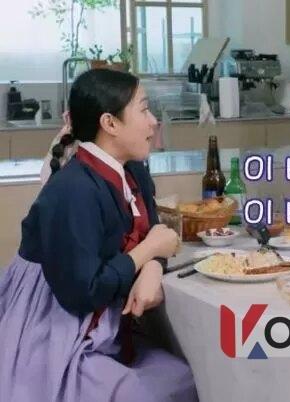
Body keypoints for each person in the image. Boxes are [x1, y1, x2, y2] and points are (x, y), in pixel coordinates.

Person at [0, 69, 198, 401]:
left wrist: (153, 265)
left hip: (106, 321)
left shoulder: (133, 172)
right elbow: (84, 291)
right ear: (110, 123)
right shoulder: (73, 190)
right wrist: (147, 252)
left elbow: (155, 234)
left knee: (183, 377)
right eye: (144, 110)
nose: (154, 122)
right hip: (57, 325)